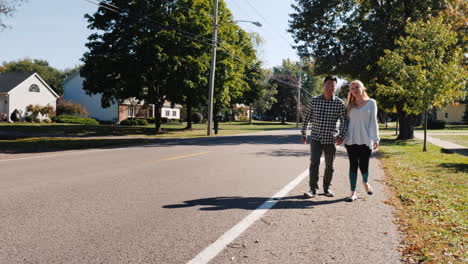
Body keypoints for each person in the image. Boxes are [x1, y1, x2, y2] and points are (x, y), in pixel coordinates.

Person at [301, 75, 348, 198]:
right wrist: (303, 133)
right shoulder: (314, 100)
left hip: (330, 139)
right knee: (314, 163)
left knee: (329, 166)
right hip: (316, 137)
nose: (329, 88)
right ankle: (312, 189)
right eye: (327, 85)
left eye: (332, 85)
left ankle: (327, 188)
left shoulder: (339, 103)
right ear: (323, 86)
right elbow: (306, 118)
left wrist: (341, 136)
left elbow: (344, 122)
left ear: (335, 87)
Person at [344, 80, 380, 202]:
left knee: (364, 166)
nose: (355, 90)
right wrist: (341, 136)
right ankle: (353, 192)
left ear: (363, 88)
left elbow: (373, 122)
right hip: (351, 139)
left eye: (357, 87)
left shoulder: (371, 103)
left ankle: (365, 182)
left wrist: (376, 138)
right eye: (352, 88)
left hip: (366, 139)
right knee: (353, 166)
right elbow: (345, 123)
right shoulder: (349, 105)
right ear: (351, 91)